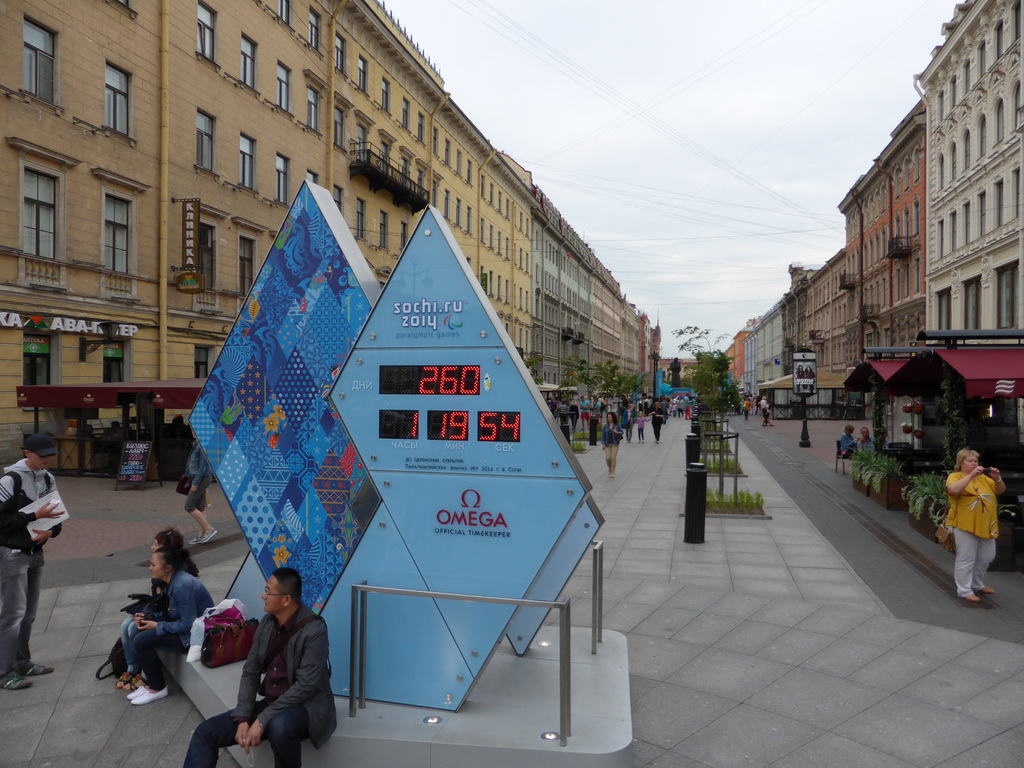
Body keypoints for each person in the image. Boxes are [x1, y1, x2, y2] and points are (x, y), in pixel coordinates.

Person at [184, 568, 336, 768]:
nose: (263, 595)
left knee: (279, 726)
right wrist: (243, 718)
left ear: (286, 599)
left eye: (268, 591)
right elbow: (251, 670)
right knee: (205, 732)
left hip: (306, 706)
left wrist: (262, 719)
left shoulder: (315, 629)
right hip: (274, 703)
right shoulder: (267, 623)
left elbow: (306, 686)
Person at [0, 434, 64, 690]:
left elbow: (57, 514)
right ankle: (5, 672)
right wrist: (34, 515)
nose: (46, 460)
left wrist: (51, 531)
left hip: (35, 551)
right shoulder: (9, 480)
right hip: (11, 554)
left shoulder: (48, 478)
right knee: (13, 614)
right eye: (41, 455)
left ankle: (23, 662)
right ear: (27, 453)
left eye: (49, 455)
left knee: (29, 614)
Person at [126, 545, 213, 705]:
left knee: (141, 640)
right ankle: (151, 683)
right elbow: (171, 613)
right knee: (136, 634)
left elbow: (189, 625)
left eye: (153, 564)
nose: (149, 567)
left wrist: (157, 626)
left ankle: (157, 687)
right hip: (184, 630)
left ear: (167, 567)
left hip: (194, 638)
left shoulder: (182, 586)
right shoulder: (171, 581)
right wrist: (148, 618)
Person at [115, 528, 199, 692]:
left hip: (183, 629)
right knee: (126, 624)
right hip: (168, 615)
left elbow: (180, 617)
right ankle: (133, 668)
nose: (151, 548)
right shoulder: (165, 570)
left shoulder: (180, 580)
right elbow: (161, 603)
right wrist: (147, 615)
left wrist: (153, 621)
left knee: (136, 630)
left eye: (155, 544)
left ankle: (148, 676)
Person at [945, 449, 1005, 602]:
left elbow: (999, 490)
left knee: (987, 556)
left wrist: (997, 479)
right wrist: (971, 476)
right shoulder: (955, 476)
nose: (974, 464)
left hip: (986, 524)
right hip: (964, 524)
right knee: (966, 557)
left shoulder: (983, 478)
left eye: (975, 461)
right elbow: (952, 490)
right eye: (970, 461)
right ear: (960, 463)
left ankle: (977, 584)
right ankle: (964, 590)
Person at [184, 436, 217, 545]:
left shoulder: (202, 445)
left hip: (201, 478)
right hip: (201, 478)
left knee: (189, 506)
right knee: (200, 506)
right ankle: (200, 535)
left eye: (194, 429)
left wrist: (195, 483)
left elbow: (202, 466)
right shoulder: (197, 444)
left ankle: (208, 529)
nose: (192, 432)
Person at [601, 413, 624, 478]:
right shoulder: (605, 426)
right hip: (607, 444)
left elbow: (622, 432)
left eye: (610, 417)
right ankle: (610, 467)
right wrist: (603, 443)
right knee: (608, 458)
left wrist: (617, 432)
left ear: (613, 418)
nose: (608, 418)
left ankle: (612, 471)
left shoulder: (617, 425)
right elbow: (603, 435)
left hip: (615, 443)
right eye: (608, 417)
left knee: (613, 457)